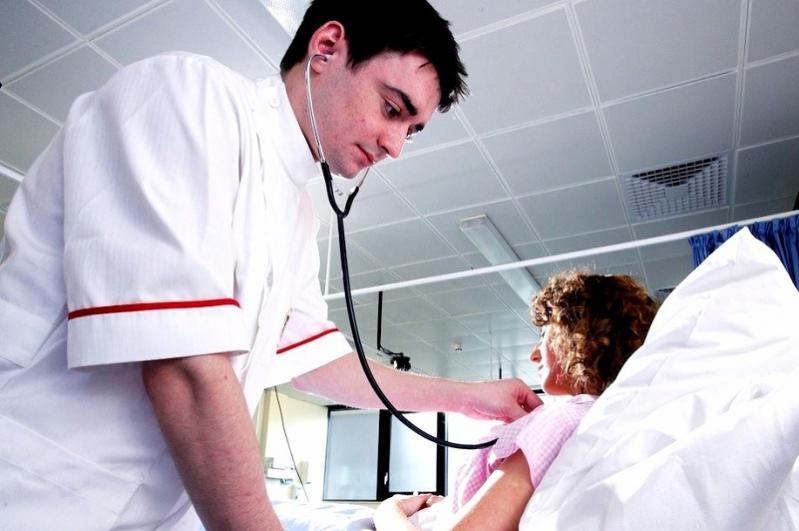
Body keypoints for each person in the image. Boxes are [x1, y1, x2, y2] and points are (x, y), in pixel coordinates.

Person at [0, 1, 541, 530]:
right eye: (393, 109)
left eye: (411, 129)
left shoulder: (297, 216)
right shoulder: (190, 96)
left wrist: (468, 397)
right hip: (35, 494)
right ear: (327, 47)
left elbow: (317, 361)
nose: (396, 147)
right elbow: (184, 366)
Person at [374, 271, 659, 531]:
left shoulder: (562, 420)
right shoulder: (598, 417)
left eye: (545, 335)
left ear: (578, 336)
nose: (533, 355)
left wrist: (389, 511)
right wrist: (449, 507)